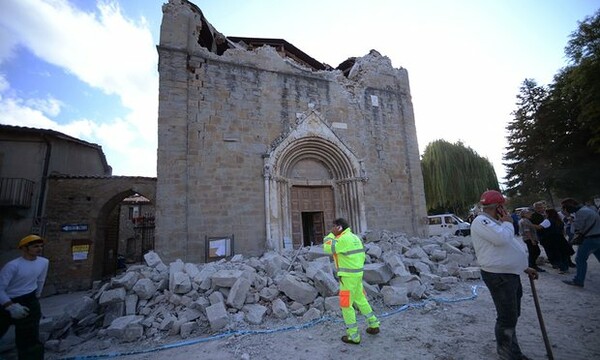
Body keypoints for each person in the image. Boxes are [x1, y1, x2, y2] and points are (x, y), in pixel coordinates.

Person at [471, 190, 538, 360]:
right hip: (499, 276)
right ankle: (508, 355)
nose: (506, 211)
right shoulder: (481, 221)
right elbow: (502, 240)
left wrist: (524, 267)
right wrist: (508, 223)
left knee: (512, 315)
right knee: (507, 318)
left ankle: (511, 350)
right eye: (504, 207)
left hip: (509, 274)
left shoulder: (495, 222)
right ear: (499, 207)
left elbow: (508, 248)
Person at [323, 218, 380, 344]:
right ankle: (374, 324)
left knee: (346, 305)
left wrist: (330, 235)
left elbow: (327, 248)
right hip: (357, 275)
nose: (331, 229)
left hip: (348, 277)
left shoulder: (342, 239)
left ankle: (353, 336)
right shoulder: (355, 238)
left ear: (339, 227)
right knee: (360, 299)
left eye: (333, 227)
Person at [0, 235, 49, 360]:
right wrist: (9, 306)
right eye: (35, 246)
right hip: (8, 300)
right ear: (25, 249)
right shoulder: (13, 266)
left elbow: (40, 280)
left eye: (40, 246)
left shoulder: (43, 262)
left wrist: (36, 300)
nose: (39, 249)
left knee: (30, 338)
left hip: (29, 299)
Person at [560, 198, 600, 287]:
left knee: (580, 260)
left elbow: (576, 229)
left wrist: (569, 219)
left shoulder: (581, 213)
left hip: (590, 239)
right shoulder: (589, 209)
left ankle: (578, 280)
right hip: (598, 236)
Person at [539, 209, 573, 274]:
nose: (544, 214)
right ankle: (566, 268)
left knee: (557, 254)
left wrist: (530, 225)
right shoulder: (559, 220)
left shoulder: (547, 221)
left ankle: (562, 268)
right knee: (563, 254)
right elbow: (563, 230)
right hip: (561, 238)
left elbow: (539, 227)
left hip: (552, 240)